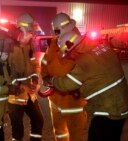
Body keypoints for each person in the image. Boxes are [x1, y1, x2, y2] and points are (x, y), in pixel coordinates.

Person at [43, 27, 128, 141]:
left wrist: (50, 80)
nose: (70, 58)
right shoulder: (103, 47)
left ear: (73, 49)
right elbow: (99, 76)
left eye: (68, 55)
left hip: (108, 109)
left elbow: (65, 84)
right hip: (123, 103)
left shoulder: (84, 62)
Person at [39, 12, 87, 141]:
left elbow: (78, 73)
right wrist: (44, 76)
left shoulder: (77, 42)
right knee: (60, 133)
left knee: (75, 135)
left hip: (73, 103)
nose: (56, 34)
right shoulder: (54, 43)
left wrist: (53, 80)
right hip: (55, 100)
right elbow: (45, 62)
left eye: (57, 30)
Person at [7, 13, 44, 141]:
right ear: (20, 30)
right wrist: (20, 85)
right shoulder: (8, 46)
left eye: (31, 31)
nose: (31, 34)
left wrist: (35, 79)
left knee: (38, 121)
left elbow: (34, 63)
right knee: (17, 130)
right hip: (14, 95)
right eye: (29, 31)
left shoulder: (29, 45)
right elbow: (4, 74)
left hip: (29, 93)